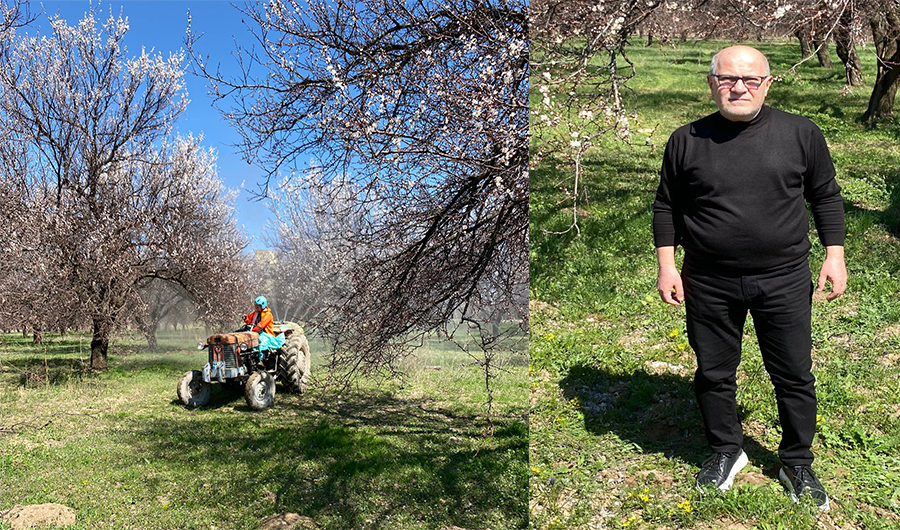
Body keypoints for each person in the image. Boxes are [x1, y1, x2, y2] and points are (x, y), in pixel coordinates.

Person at [652, 45, 846, 510]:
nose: (739, 87)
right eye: (727, 79)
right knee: (714, 372)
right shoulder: (686, 139)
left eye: (750, 79)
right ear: (711, 82)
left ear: (768, 83)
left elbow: (825, 196)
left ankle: (797, 461)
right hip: (709, 280)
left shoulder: (801, 133)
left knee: (794, 373)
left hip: (783, 276)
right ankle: (726, 451)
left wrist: (834, 255)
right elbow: (667, 206)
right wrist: (667, 264)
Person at [244, 296, 285, 366]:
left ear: (262, 306)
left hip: (265, 334)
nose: (256, 308)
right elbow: (249, 320)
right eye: (255, 306)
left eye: (258, 306)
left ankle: (261, 360)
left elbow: (260, 326)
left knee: (262, 342)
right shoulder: (255, 313)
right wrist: (245, 318)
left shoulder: (268, 315)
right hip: (256, 332)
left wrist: (251, 331)